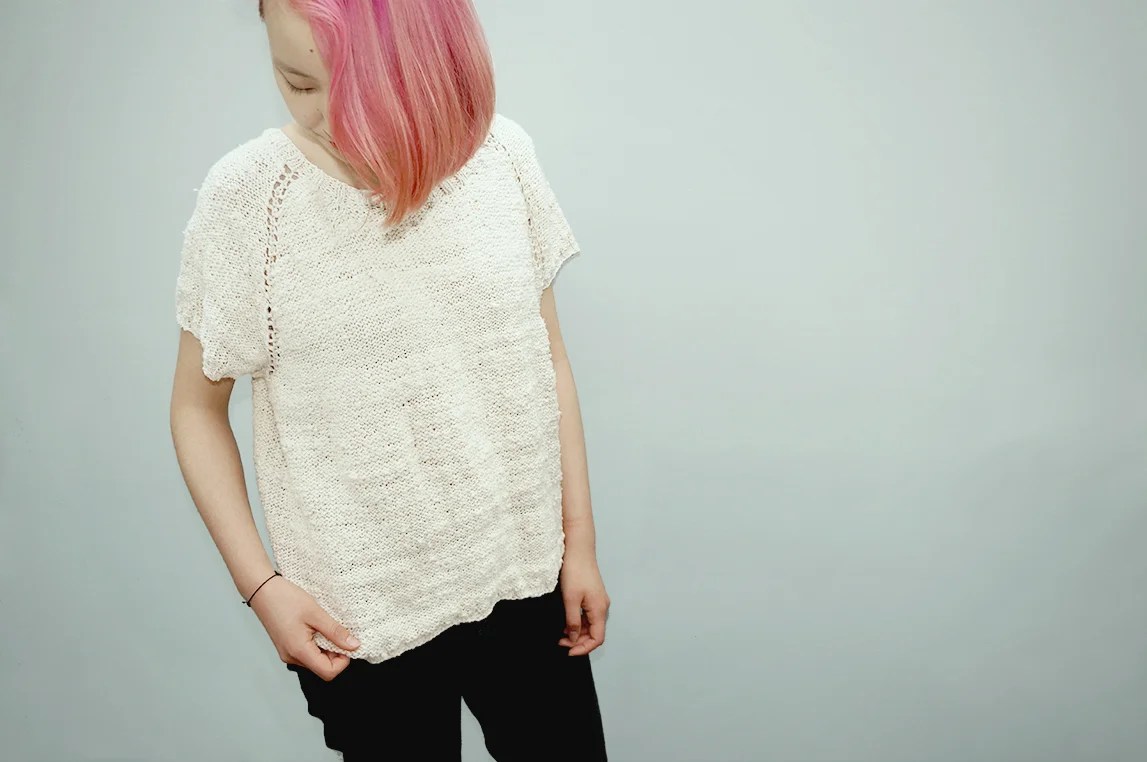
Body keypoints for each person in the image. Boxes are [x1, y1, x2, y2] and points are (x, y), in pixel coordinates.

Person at [167, 0, 609, 758]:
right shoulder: (249, 199)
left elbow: (547, 361)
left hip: (523, 570)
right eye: (297, 82)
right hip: (360, 613)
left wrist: (581, 545)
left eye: (359, 90)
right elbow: (194, 410)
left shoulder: (502, 158)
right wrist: (262, 589)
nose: (327, 117)